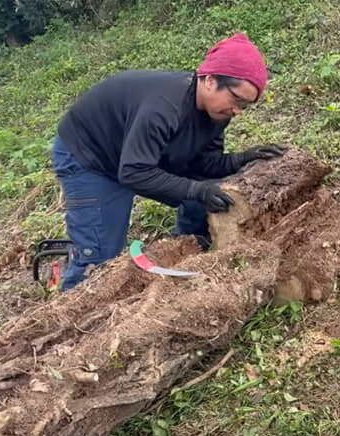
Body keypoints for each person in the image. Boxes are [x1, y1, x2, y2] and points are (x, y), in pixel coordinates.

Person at [50, 32, 286, 291]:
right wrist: (195, 190)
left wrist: (242, 159)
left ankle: (183, 248)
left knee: (207, 189)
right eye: (236, 99)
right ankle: (71, 319)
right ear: (209, 80)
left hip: (135, 155)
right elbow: (133, 174)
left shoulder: (217, 113)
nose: (238, 111)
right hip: (91, 156)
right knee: (99, 258)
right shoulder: (163, 107)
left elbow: (204, 166)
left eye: (246, 105)